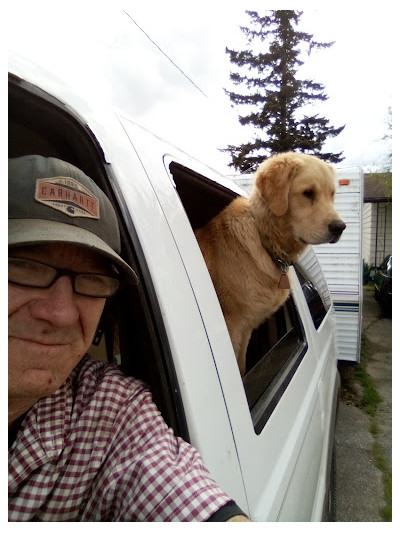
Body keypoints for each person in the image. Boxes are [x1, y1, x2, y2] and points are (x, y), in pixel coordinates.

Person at [8, 155, 250, 522]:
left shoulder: (111, 411)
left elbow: (172, 485)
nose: (60, 314)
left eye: (91, 279)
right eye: (22, 265)